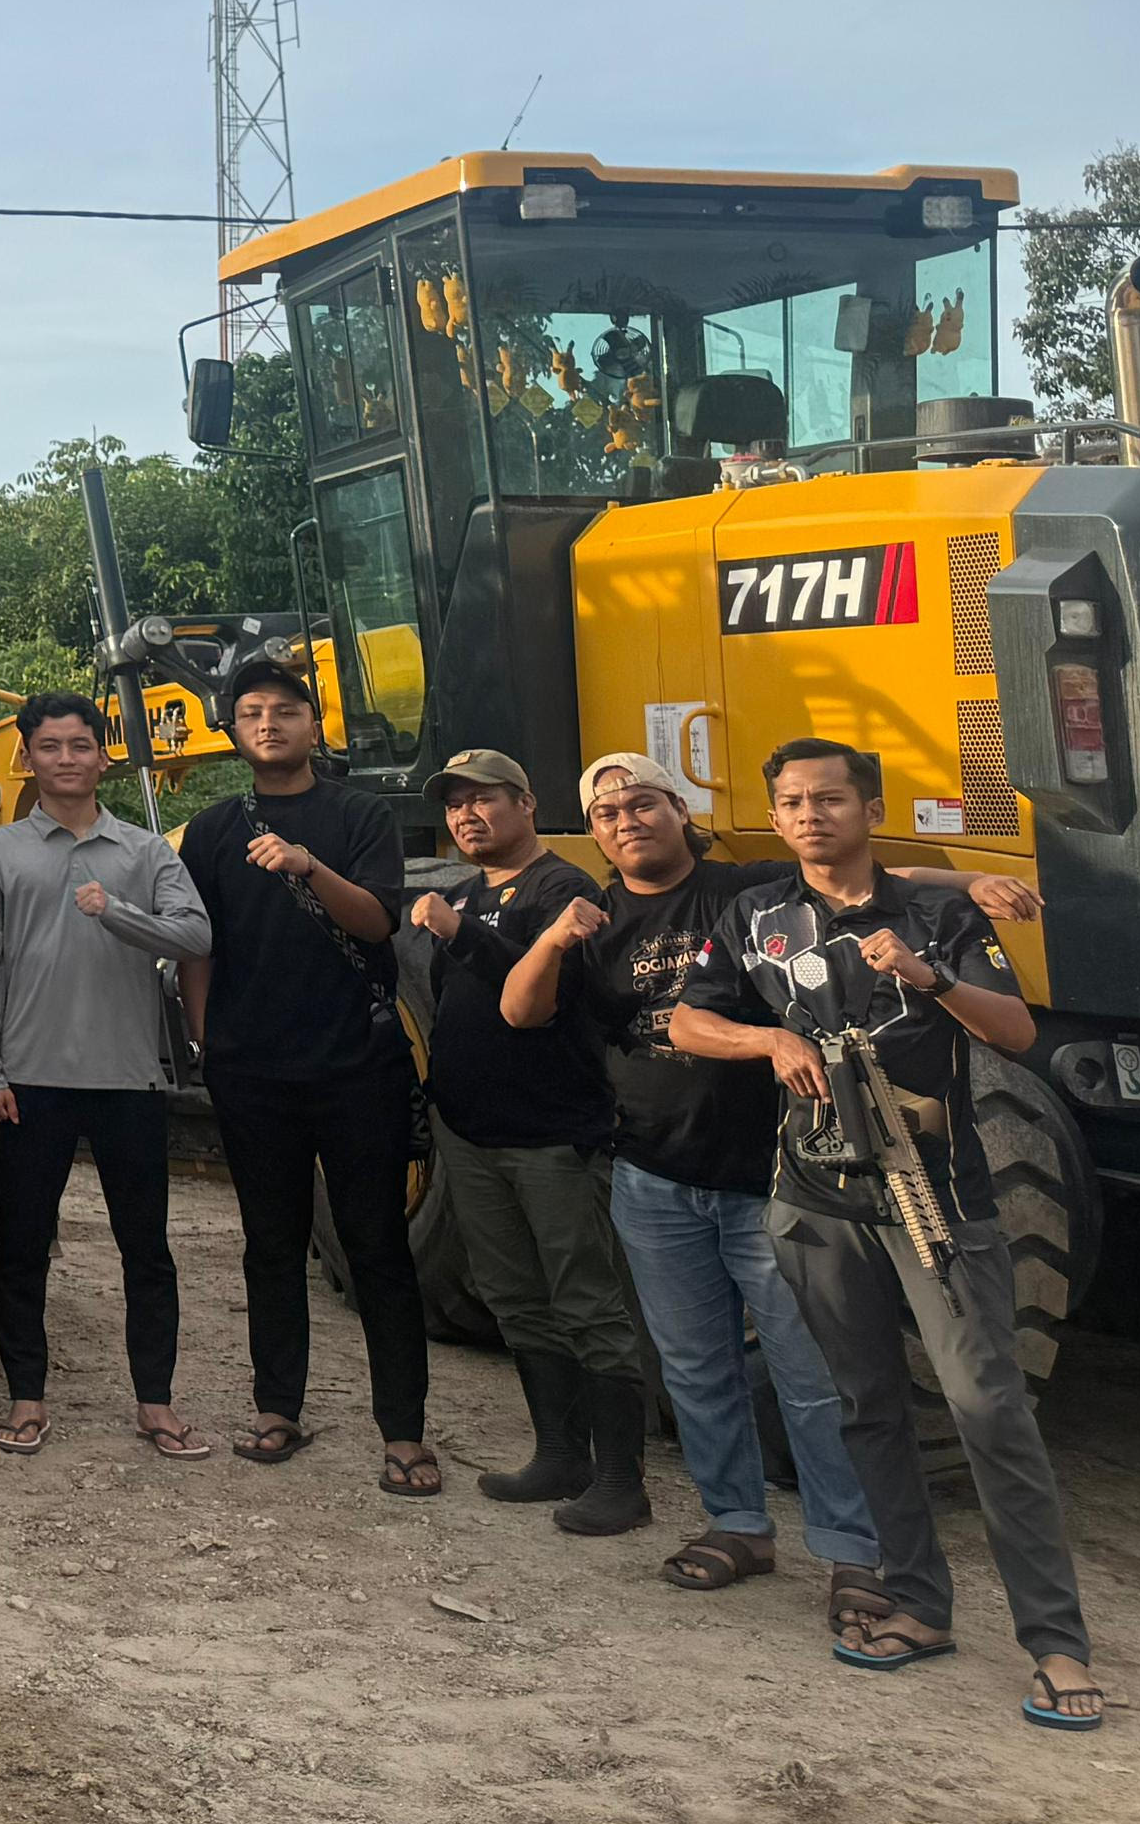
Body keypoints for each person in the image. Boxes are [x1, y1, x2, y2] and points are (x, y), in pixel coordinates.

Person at [675, 739, 1104, 1730]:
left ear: (867, 807)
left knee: (985, 1407)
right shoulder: (754, 916)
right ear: (774, 817)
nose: (808, 815)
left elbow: (1014, 1034)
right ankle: (916, 1605)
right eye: (789, 802)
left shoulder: (934, 912)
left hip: (935, 1202)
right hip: (816, 1205)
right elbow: (687, 1024)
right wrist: (767, 1037)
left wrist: (928, 976)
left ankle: (1053, 1640)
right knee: (865, 1404)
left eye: (828, 798)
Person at [504, 750, 883, 1604]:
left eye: (642, 805)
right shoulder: (592, 918)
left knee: (809, 1374)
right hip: (653, 1176)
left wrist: (975, 886)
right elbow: (521, 1011)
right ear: (594, 835)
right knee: (695, 1368)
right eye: (607, 815)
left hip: (771, 1177)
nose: (626, 822)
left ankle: (851, 1549)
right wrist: (556, 937)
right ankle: (738, 1526)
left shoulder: (745, 891)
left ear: (680, 810)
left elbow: (868, 879)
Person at [173, 656, 433, 1492]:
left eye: (284, 710)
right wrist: (209, 1043)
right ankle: (276, 1407)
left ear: (311, 723)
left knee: (378, 1247)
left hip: (358, 1065)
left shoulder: (359, 814)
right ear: (233, 729)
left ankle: (404, 1431)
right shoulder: (213, 829)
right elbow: (198, 946)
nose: (268, 724)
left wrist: (307, 864)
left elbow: (379, 922)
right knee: (270, 1246)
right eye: (250, 712)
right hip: (254, 1071)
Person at [0, 691, 212, 1461]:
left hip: (127, 1078)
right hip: (28, 1081)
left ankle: (156, 1403)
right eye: (49, 747)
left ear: (102, 757)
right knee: (24, 1247)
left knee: (147, 1250)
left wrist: (119, 914)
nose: (65, 759)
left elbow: (196, 933)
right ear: (29, 758)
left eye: (79, 746)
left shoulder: (144, 851)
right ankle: (27, 1398)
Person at [413, 747, 643, 1533]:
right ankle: (559, 1455)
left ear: (526, 803)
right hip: (472, 1135)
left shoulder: (562, 888)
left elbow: (539, 1000)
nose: (467, 816)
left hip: (549, 1136)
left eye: (484, 800)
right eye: (455, 805)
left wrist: (459, 934)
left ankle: (620, 1479)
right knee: (514, 1297)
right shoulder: (467, 891)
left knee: (585, 1298)